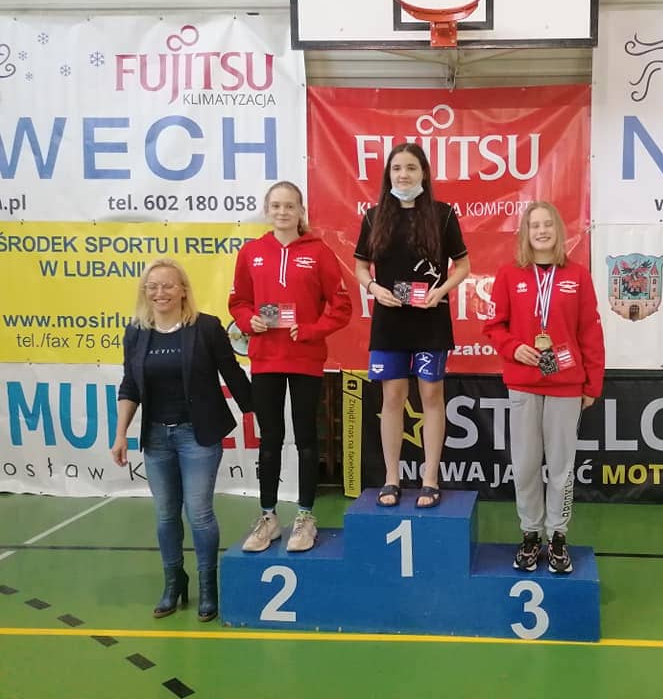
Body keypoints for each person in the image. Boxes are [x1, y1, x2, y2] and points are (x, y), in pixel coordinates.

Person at [111, 258, 253, 621]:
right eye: (153, 286)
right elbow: (130, 386)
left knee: (199, 513)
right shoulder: (136, 333)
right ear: (145, 292)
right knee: (165, 515)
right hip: (156, 437)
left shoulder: (205, 327)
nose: (160, 293)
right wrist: (120, 434)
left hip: (198, 435)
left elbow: (232, 373)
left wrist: (258, 412)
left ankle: (208, 586)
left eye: (168, 285)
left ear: (183, 290)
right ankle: (174, 582)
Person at [230, 180, 352, 552]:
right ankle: (268, 517)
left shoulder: (319, 252)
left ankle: (304, 516)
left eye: (290, 206)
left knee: (306, 438)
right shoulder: (252, 252)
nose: (283, 212)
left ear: (301, 211)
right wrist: (250, 321)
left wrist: (312, 329)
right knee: (269, 438)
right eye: (276, 206)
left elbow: (341, 306)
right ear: (267, 210)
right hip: (265, 358)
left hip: (305, 358)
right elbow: (238, 302)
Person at [484, 201, 604, 574]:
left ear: (558, 230)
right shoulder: (509, 274)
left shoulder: (578, 276)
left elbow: (590, 330)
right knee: (524, 465)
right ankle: (531, 534)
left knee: (562, 468)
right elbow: (494, 326)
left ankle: (558, 537)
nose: (541, 231)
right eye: (534, 225)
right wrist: (513, 347)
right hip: (523, 383)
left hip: (566, 385)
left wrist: (592, 383)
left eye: (547, 224)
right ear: (526, 232)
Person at [354, 143, 470, 509]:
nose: (403, 175)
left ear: (424, 173)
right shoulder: (374, 217)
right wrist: (374, 288)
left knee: (432, 396)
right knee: (392, 397)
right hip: (389, 322)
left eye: (411, 168)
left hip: (430, 320)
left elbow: (463, 266)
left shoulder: (443, 214)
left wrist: (441, 292)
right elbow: (360, 267)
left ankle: (430, 480)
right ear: (388, 174)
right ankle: (391, 478)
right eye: (397, 168)